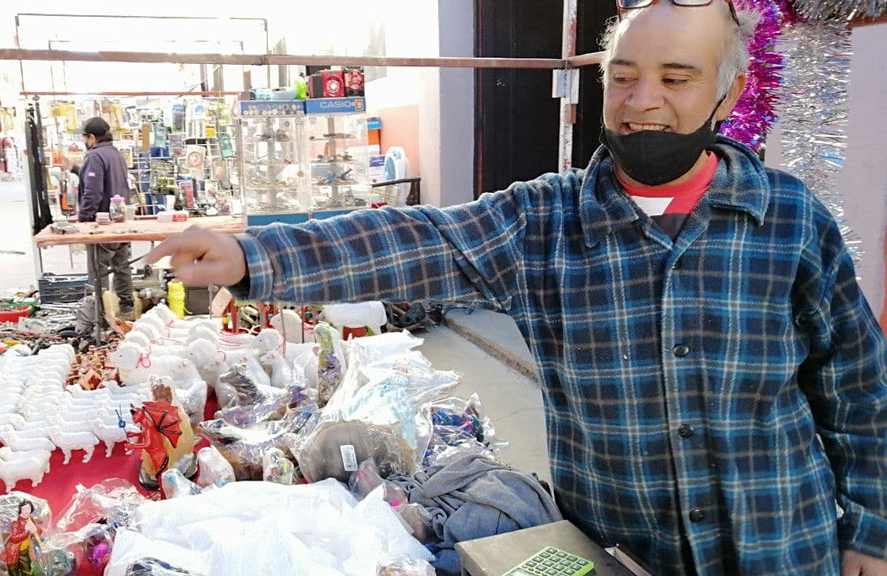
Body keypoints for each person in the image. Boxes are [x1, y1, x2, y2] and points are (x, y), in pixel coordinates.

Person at [146, 1, 887, 574]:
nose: (641, 100)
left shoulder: (788, 218)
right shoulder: (543, 220)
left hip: (784, 542)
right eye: (623, 76)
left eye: (676, 77)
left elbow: (859, 390)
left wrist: (873, 532)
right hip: (621, 549)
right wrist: (251, 254)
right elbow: (417, 239)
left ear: (729, 91)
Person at [78, 117, 134, 320]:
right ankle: (127, 308)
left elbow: (93, 192)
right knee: (122, 266)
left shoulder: (95, 156)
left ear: (92, 137)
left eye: (85, 137)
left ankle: (99, 316)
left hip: (102, 225)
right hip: (119, 223)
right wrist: (77, 170)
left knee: (98, 270)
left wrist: (83, 219)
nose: (85, 141)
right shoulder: (115, 154)